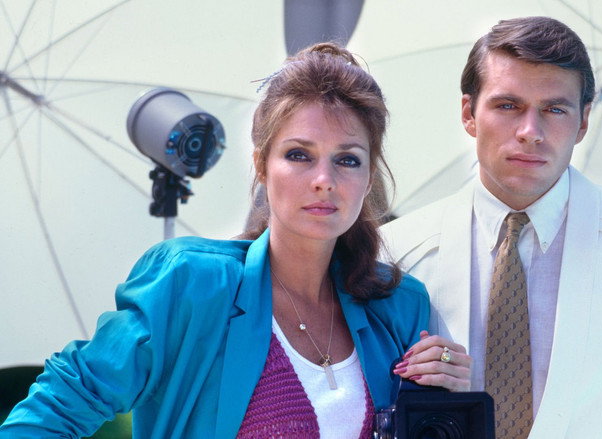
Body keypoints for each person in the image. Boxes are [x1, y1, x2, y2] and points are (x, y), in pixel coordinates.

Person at [0, 43, 470, 439]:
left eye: (347, 159)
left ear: (369, 177)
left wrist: (448, 401)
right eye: (299, 155)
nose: (324, 180)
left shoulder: (398, 305)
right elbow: (54, 409)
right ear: (262, 166)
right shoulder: (191, 283)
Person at [382, 17, 602, 438]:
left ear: (583, 121)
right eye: (508, 106)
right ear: (469, 114)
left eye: (554, 109)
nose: (530, 132)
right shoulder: (395, 252)